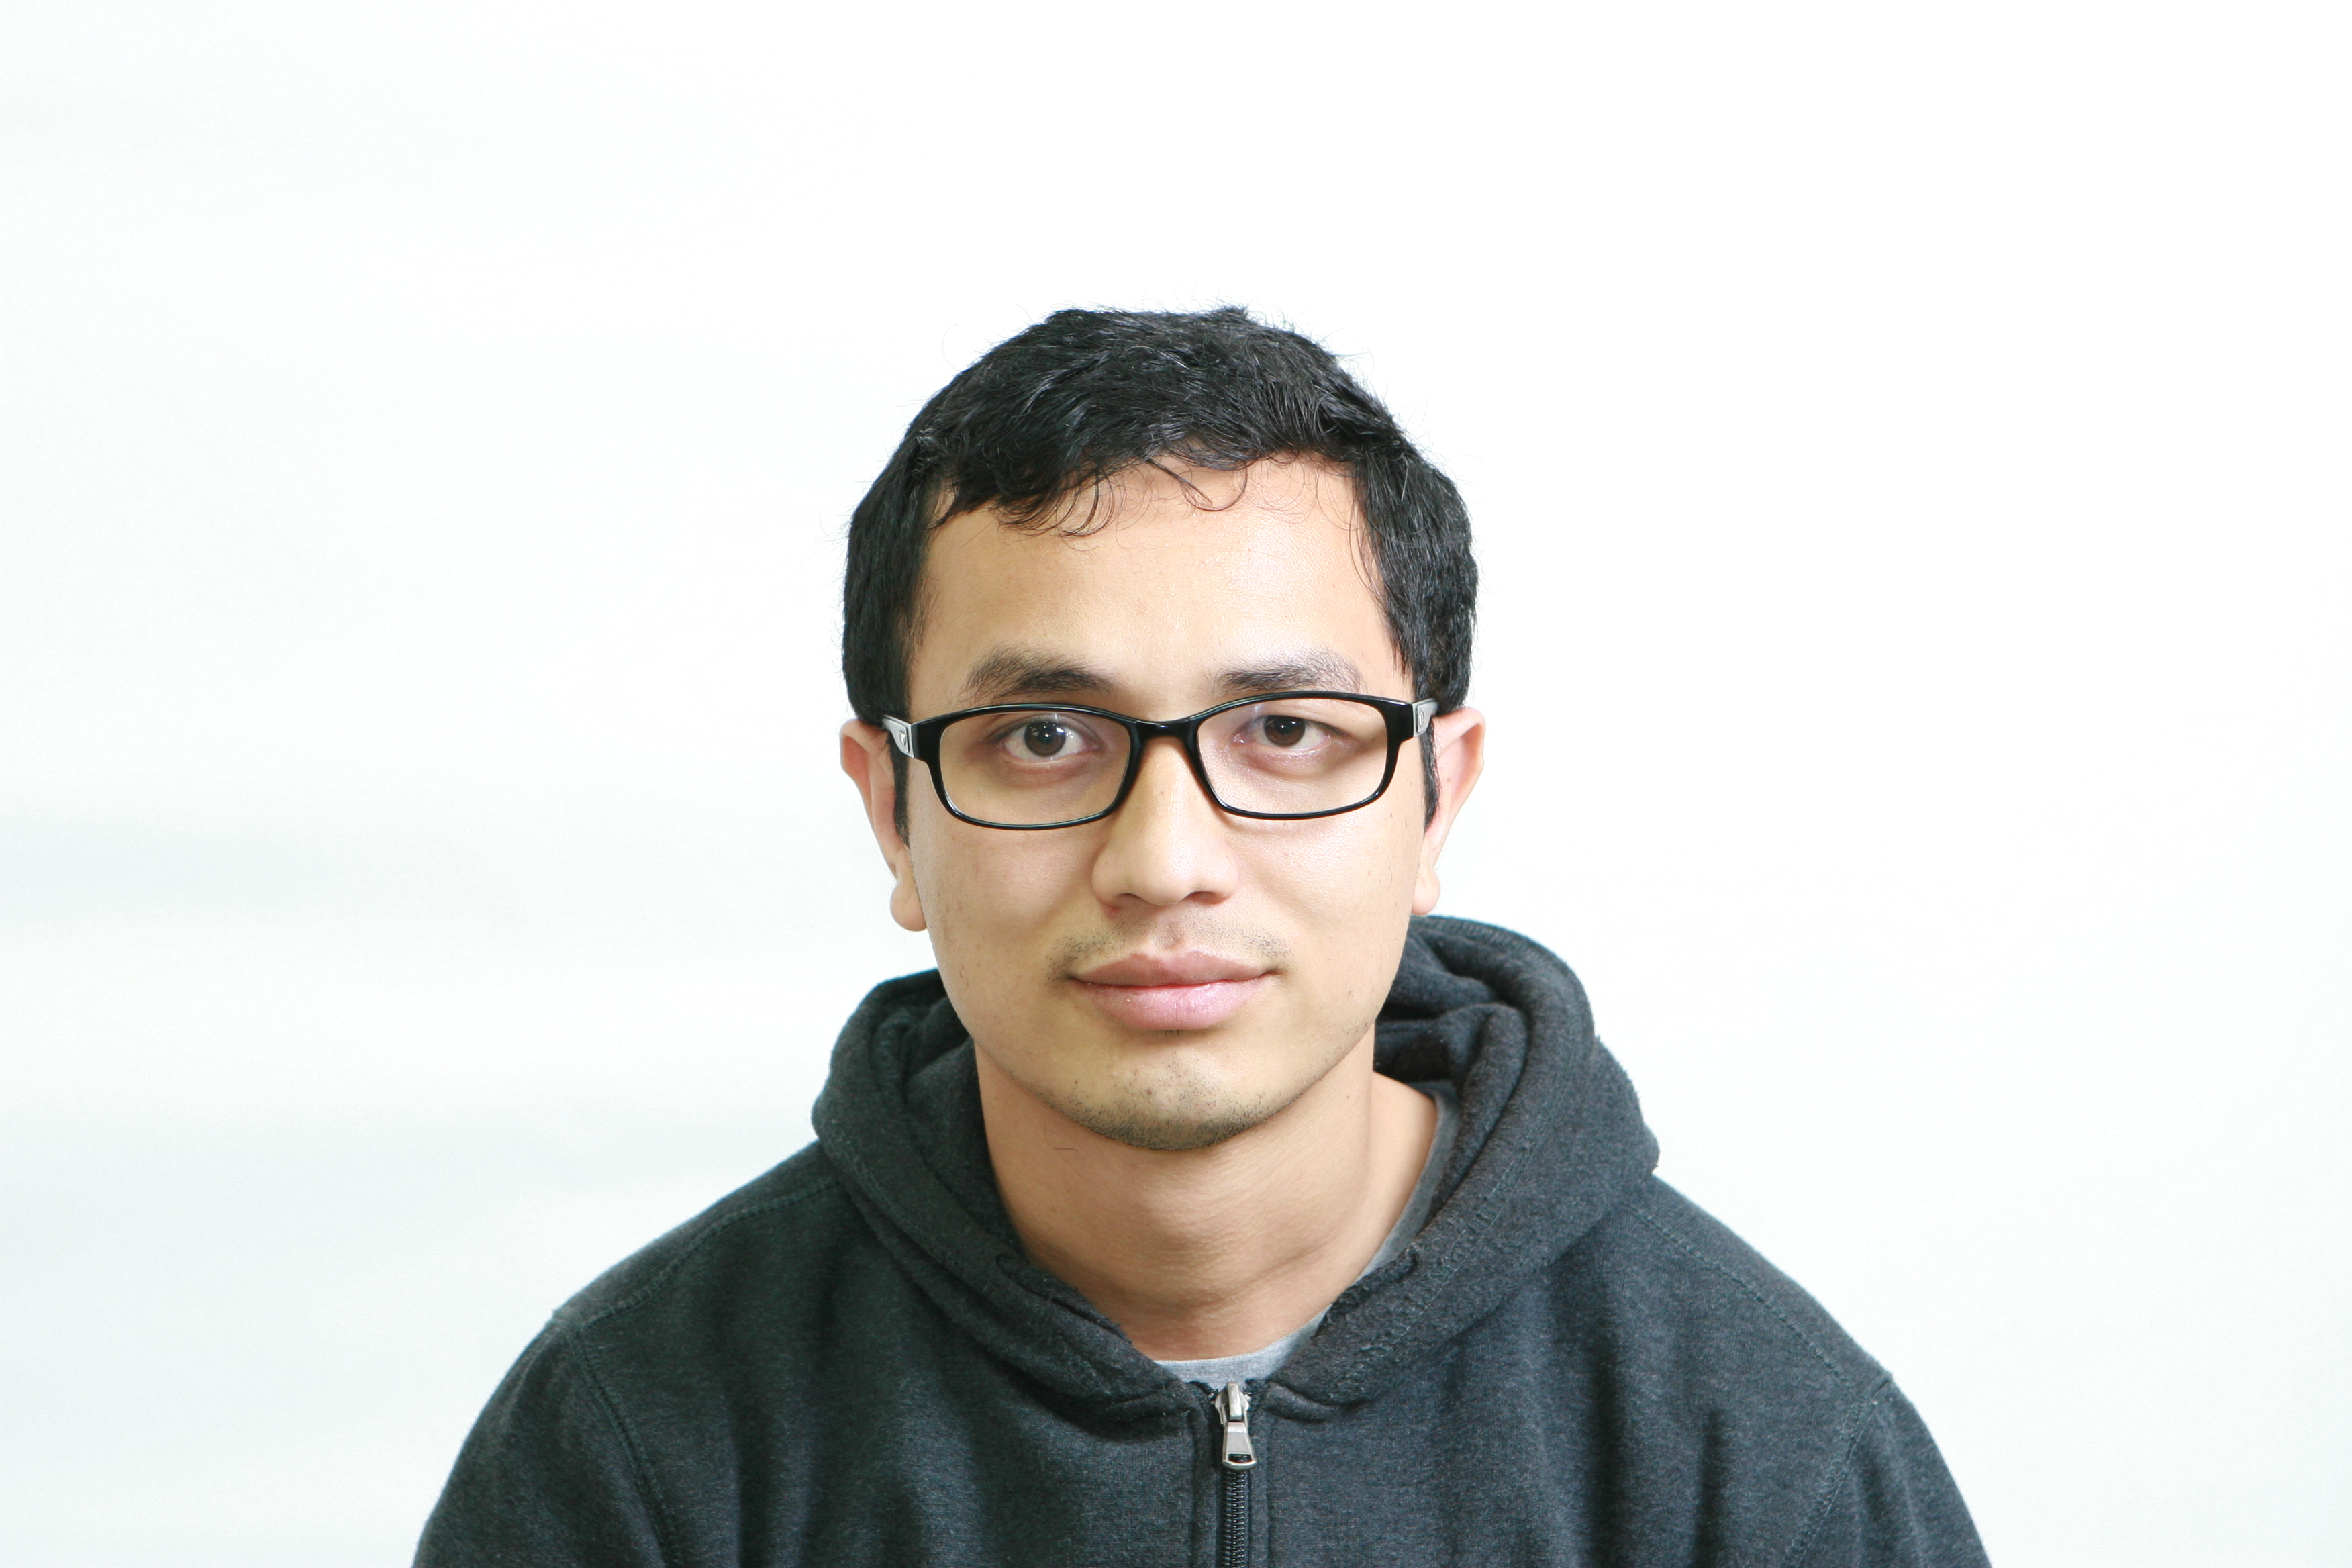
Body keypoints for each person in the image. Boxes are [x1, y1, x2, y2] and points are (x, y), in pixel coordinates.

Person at [415, 307, 1988, 1566]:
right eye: (1042, 737)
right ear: (893, 813)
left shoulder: (1757, 1449)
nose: (1165, 862)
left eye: (1286, 731)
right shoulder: (640, 1439)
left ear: (1435, 797)